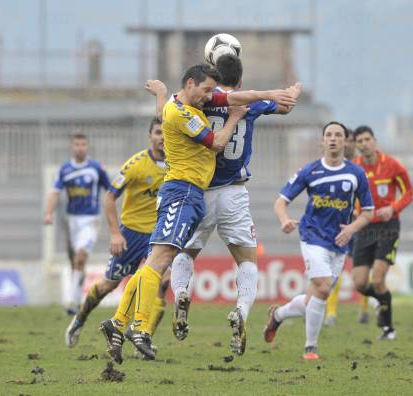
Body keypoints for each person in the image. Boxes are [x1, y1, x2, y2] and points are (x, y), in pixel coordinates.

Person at [100, 63, 298, 361]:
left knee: (154, 262)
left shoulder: (184, 104)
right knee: (160, 261)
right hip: (184, 193)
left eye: (211, 91)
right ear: (190, 83)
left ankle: (117, 323)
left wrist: (272, 92)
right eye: (206, 90)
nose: (209, 97)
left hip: (190, 194)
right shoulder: (181, 113)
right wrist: (233, 119)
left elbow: (231, 97)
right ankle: (139, 327)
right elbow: (218, 142)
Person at [263, 121, 374, 360]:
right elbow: (281, 201)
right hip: (312, 236)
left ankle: (279, 315)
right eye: (329, 135)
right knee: (323, 288)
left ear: (346, 142)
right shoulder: (309, 171)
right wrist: (284, 220)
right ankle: (310, 347)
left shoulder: (356, 173)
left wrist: (351, 229)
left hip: (339, 242)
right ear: (322, 141)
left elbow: (368, 211)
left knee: (314, 297)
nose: (333, 139)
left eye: (338, 135)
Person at [64, 118, 167, 354]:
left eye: (165, 132)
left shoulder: (176, 163)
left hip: (158, 234)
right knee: (108, 285)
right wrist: (114, 233)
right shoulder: (136, 164)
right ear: (149, 136)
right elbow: (109, 197)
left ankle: (144, 336)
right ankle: (79, 319)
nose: (162, 137)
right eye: (158, 132)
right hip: (130, 234)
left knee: (163, 282)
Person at [352, 125, 413, 340]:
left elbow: (408, 194)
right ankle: (382, 300)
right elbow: (349, 195)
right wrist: (352, 210)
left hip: (388, 227)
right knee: (359, 283)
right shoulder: (354, 168)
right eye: (359, 141)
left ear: (374, 141)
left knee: (378, 279)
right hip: (364, 226)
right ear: (356, 145)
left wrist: (393, 208)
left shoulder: (392, 165)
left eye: (367, 139)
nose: (364, 144)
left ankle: (388, 329)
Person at [43, 133, 111, 315]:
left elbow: (111, 190)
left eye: (83, 144)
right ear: (72, 147)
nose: (80, 147)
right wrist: (49, 213)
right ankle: (78, 298)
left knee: (80, 257)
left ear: (87, 147)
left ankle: (72, 302)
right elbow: (55, 192)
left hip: (91, 220)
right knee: (75, 262)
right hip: (71, 220)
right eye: (77, 144)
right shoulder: (65, 169)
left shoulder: (96, 168)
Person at [323, 131, 358, 326]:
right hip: (338, 225)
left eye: (353, 141)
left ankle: (364, 310)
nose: (351, 145)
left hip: (360, 225)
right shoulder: (333, 166)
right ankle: (331, 312)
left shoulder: (359, 168)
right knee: (335, 268)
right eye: (349, 141)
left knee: (362, 270)